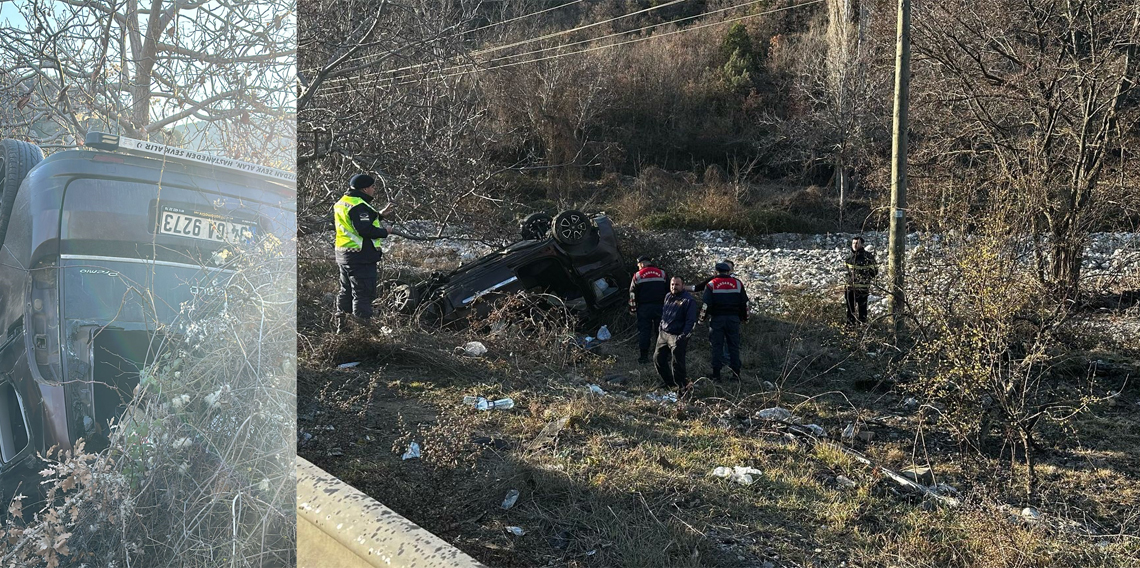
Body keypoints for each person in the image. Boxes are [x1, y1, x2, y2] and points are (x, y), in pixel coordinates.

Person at [334, 173, 395, 332]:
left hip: (344, 255)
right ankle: (362, 332)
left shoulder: (343, 202)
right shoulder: (359, 205)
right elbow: (364, 229)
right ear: (365, 188)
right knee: (363, 295)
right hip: (361, 257)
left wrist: (379, 215)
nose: (374, 189)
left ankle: (344, 329)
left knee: (346, 292)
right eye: (373, 187)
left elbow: (354, 224)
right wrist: (385, 232)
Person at [699, 262, 749, 381]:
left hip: (717, 319)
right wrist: (745, 318)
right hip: (733, 319)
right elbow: (745, 303)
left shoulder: (711, 284)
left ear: (716, 272)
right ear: (728, 272)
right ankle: (736, 375)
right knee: (734, 347)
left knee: (717, 346)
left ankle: (716, 375)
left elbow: (706, 305)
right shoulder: (737, 283)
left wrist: (701, 319)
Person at [654, 277, 698, 392]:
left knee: (677, 364)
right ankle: (669, 383)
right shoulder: (668, 296)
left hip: (677, 336)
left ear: (683, 286)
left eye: (677, 285)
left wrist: (683, 336)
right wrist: (660, 328)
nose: (674, 287)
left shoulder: (688, 301)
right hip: (664, 334)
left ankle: (682, 388)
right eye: (672, 284)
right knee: (658, 359)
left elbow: (691, 321)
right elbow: (664, 313)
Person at [629, 255, 668, 364]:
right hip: (660, 307)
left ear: (641, 264)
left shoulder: (637, 276)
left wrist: (633, 309)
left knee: (644, 332)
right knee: (660, 332)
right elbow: (669, 291)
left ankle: (644, 357)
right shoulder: (662, 273)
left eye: (638, 265)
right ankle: (662, 355)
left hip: (644, 308)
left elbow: (632, 294)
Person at [843, 236, 877, 325]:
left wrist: (864, 278)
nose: (855, 245)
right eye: (853, 243)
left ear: (862, 245)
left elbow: (874, 272)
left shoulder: (868, 257)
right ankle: (850, 330)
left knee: (862, 311)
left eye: (857, 243)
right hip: (850, 289)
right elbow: (847, 272)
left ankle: (862, 329)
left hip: (862, 289)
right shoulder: (849, 257)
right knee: (850, 311)